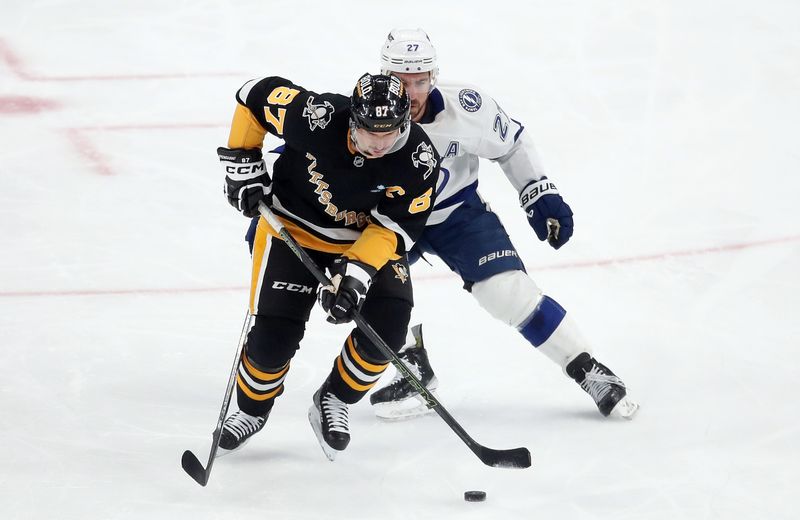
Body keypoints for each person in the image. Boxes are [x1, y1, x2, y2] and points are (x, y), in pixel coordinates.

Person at [364, 29, 639, 420]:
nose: (410, 93)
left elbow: (510, 143)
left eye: (420, 81)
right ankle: (412, 369)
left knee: (507, 293)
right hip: (389, 221)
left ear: (433, 77)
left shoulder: (467, 107)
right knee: (369, 283)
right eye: (400, 81)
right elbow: (314, 150)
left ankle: (586, 367)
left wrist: (537, 191)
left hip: (456, 213)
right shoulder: (362, 111)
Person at [217, 71, 440, 460]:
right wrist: (243, 164)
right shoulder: (318, 116)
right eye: (370, 132)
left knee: (387, 330)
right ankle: (251, 412)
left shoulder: (418, 161)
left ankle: (334, 398)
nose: (378, 143)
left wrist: (354, 276)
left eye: (389, 133)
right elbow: (254, 96)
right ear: (352, 119)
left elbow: (394, 228)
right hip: (291, 228)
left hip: (364, 242)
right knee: (273, 341)